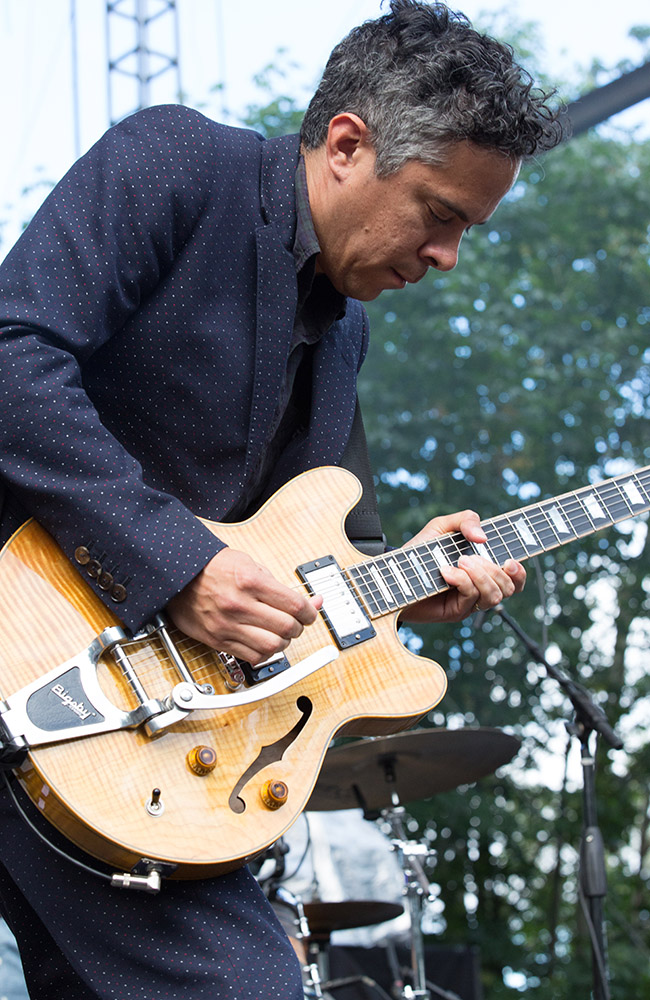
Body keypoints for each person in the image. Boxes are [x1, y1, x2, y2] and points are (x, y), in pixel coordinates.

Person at [0, 2, 563, 997]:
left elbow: (307, 548)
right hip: (36, 652)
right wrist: (177, 566)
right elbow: (11, 358)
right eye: (438, 215)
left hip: (135, 745)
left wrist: (402, 586)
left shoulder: (344, 330)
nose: (445, 258)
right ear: (347, 143)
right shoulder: (176, 162)